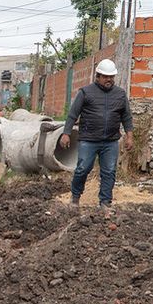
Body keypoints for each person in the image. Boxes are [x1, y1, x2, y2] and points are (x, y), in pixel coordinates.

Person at [59, 58, 134, 213]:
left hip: (111, 141)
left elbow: (126, 116)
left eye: (111, 77)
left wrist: (129, 136)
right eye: (105, 76)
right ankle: (75, 198)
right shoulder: (85, 92)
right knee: (83, 168)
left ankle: (105, 203)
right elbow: (73, 115)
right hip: (88, 139)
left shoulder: (120, 94)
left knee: (109, 171)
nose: (109, 80)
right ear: (98, 76)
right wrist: (66, 133)